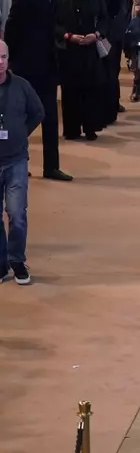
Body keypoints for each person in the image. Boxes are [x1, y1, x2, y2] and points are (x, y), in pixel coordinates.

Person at [6, 0, 68, 181]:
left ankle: (51, 167)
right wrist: (14, 61)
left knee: (49, 115)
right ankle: (14, 160)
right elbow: (12, 28)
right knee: (24, 117)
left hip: (48, 64)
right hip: (27, 67)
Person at [0, 39, 43, 285]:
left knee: (17, 214)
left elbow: (38, 112)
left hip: (16, 160)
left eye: (4, 57)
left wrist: (20, 134)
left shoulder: (22, 86)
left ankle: (17, 260)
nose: (0, 62)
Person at [55, 0, 108, 141]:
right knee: (70, 90)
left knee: (91, 88)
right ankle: (72, 129)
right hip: (69, 49)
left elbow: (104, 19)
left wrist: (97, 34)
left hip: (90, 47)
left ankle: (90, 127)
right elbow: (53, 23)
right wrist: (69, 36)